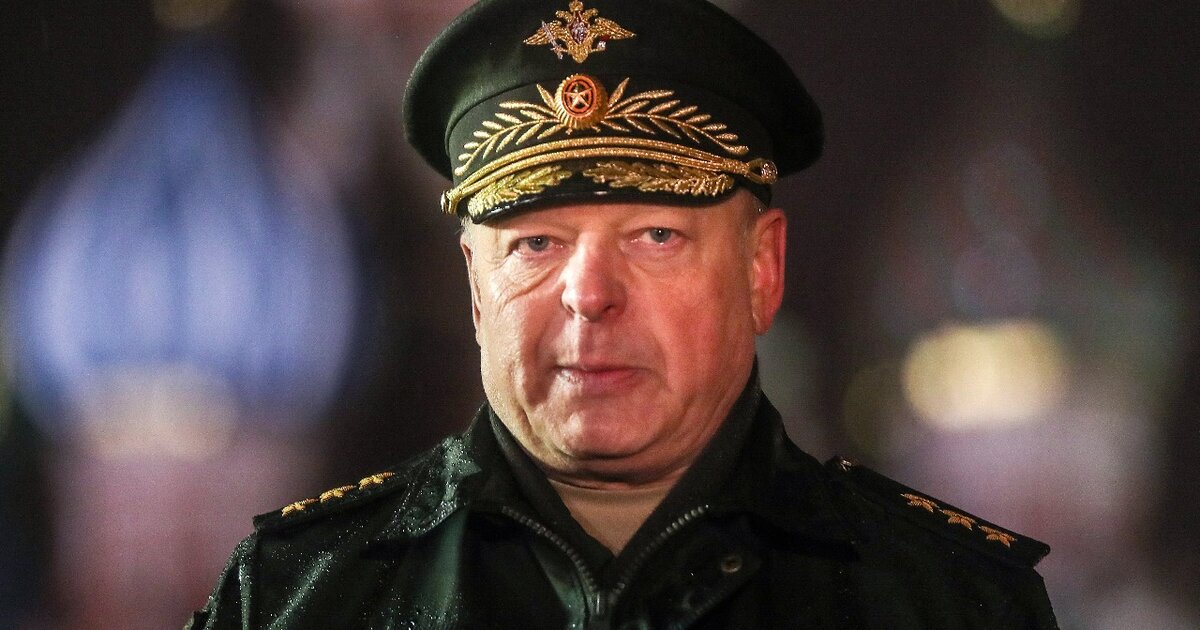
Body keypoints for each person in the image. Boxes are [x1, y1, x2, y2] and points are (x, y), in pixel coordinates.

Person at [188, 0, 1058, 627]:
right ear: (474, 283)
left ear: (762, 269)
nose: (590, 294)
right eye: (536, 243)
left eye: (655, 236)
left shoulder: (951, 601)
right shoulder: (297, 596)